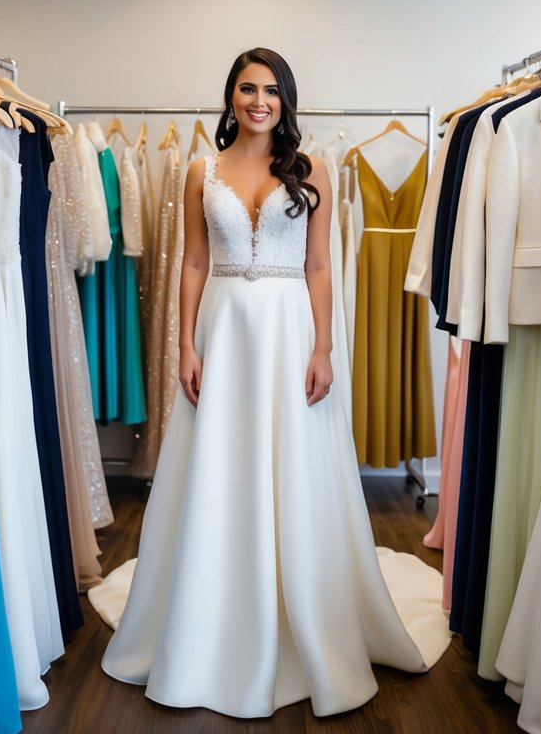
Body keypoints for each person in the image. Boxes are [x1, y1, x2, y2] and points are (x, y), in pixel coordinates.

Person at [97, 48, 439, 718]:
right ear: (230, 97)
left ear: (285, 100)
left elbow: (318, 267)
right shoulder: (200, 170)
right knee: (219, 466)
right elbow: (193, 262)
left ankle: (299, 605)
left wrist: (324, 347)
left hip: (287, 331)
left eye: (271, 91)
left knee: (292, 465)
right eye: (247, 89)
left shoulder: (311, 169)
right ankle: (212, 604)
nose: (259, 101)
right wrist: (184, 345)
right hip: (224, 331)